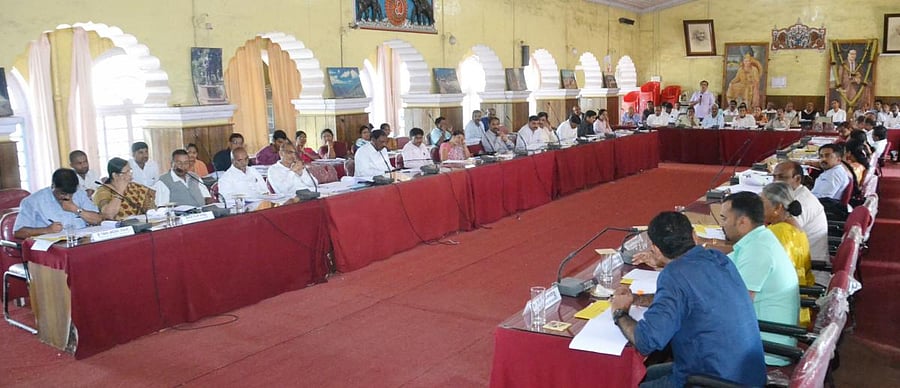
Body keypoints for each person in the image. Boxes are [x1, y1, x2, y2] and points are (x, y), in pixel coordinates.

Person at [610, 212, 766, 388]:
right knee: (646, 373)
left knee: (624, 380)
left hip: (713, 379)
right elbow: (690, 298)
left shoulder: (674, 276)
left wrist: (619, 312)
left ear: (656, 250)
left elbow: (646, 342)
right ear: (694, 236)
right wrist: (639, 299)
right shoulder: (718, 258)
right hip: (747, 373)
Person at [720, 192, 800, 366]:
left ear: (743, 222)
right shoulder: (759, 238)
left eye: (724, 218)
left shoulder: (758, 250)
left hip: (763, 351)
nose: (722, 224)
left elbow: (736, 306)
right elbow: (722, 265)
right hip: (757, 336)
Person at [13, 168, 103, 239]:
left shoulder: (79, 194)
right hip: (51, 249)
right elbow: (18, 232)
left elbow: (98, 219)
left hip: (81, 242)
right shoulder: (32, 201)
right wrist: (47, 230)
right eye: (63, 193)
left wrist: (77, 210)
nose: (67, 197)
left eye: (71, 194)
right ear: (53, 186)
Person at [772, 161, 828, 264]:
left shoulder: (800, 203)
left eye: (781, 177)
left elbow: (781, 239)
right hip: (797, 259)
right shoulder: (793, 195)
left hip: (809, 268)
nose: (775, 182)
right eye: (774, 177)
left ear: (797, 179)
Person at [761, 182, 814, 288]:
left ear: (777, 208)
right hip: (800, 294)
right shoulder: (797, 228)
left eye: (761, 203)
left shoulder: (777, 232)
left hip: (782, 298)